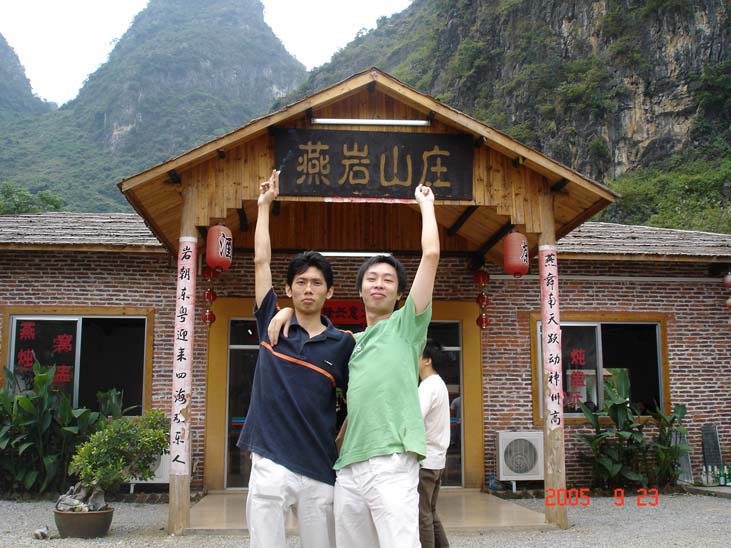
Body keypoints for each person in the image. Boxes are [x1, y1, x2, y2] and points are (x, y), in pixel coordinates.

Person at [236, 169, 354, 548]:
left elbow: (360, 399)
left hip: (319, 465)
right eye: (300, 282)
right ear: (288, 288)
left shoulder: (343, 344)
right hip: (270, 460)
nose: (308, 289)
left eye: (316, 283)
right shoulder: (271, 324)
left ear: (329, 292)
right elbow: (261, 262)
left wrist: (341, 439)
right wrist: (265, 206)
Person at [417, 339, 451, 548]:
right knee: (430, 511)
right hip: (436, 460)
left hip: (425, 460)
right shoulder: (439, 384)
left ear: (427, 360)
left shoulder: (428, 386)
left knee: (422, 515)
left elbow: (415, 419)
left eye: (417, 355)